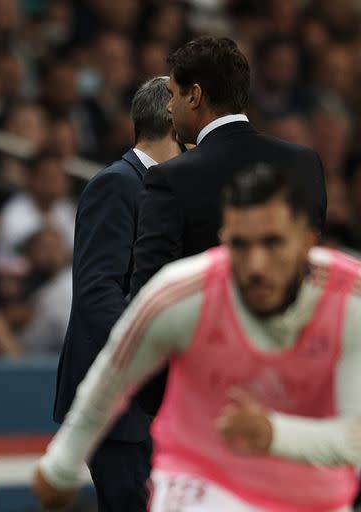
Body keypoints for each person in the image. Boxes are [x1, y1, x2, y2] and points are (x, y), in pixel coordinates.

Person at [35, 163, 360, 511]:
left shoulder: (351, 301)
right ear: (223, 239)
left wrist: (271, 434)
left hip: (313, 494)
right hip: (199, 480)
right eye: (240, 245)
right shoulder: (180, 294)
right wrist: (61, 465)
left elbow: (355, 438)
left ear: (307, 239)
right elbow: (112, 380)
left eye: (273, 242)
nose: (255, 265)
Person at [129, 36, 327, 417]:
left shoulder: (170, 178)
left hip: (202, 395)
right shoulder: (304, 163)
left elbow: (151, 296)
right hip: (293, 385)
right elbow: (311, 271)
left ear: (195, 95)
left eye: (173, 94)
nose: (169, 107)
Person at [54, 76, 181, 511]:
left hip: (148, 404)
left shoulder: (166, 190)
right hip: (120, 405)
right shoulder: (116, 184)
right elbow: (98, 295)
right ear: (172, 116)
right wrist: (160, 349)